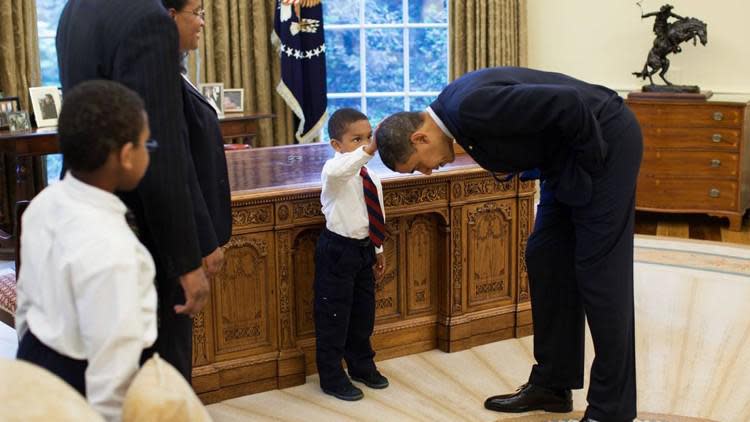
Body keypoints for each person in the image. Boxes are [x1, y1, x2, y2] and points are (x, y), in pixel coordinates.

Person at [376, 67, 643, 422]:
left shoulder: (469, 107)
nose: (426, 172)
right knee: (545, 256)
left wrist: (593, 167)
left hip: (604, 141)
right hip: (566, 156)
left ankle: (612, 411)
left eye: (416, 167)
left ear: (420, 139)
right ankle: (553, 384)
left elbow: (571, 102)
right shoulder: (456, 114)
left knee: (600, 274)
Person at [56, 0, 211, 380]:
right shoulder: (147, 18)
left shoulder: (75, 8)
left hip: (87, 210)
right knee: (159, 373)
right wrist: (186, 260)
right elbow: (161, 149)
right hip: (140, 228)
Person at [15, 80, 157, 422]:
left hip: (35, 359)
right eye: (145, 143)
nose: (148, 151)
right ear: (125, 156)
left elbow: (25, 302)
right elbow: (113, 367)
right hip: (81, 386)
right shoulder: (113, 249)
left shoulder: (43, 204)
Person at [315, 108, 389, 401]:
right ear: (337, 145)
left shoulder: (370, 175)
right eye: (356, 139)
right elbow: (341, 169)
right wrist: (369, 150)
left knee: (363, 314)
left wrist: (378, 249)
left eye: (368, 137)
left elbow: (376, 212)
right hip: (337, 251)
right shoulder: (333, 172)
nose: (364, 143)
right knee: (334, 315)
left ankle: (361, 365)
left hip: (363, 250)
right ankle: (332, 376)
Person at [163, 0, 232, 280]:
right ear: (171, 16)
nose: (203, 22)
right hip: (187, 239)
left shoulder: (177, 72)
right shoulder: (163, 79)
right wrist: (203, 239)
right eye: (197, 13)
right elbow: (180, 167)